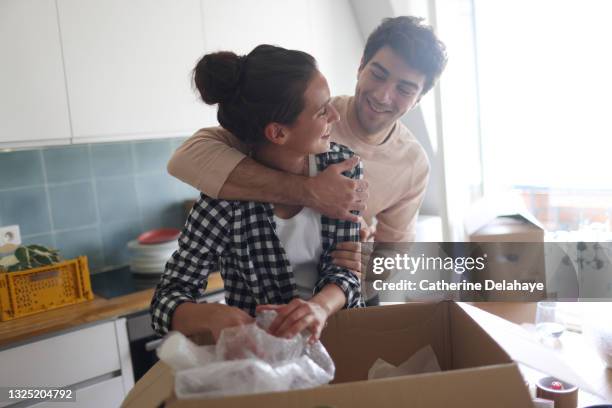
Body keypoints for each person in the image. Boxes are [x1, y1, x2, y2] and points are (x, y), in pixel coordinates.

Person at [167, 16, 447, 245]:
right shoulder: (304, 117)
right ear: (361, 65)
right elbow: (184, 160)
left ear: (419, 98)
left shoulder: (413, 164)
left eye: (405, 89)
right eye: (378, 74)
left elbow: (391, 254)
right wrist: (309, 192)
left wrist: (345, 276)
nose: (383, 96)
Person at [151, 45, 364, 345]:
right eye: (321, 110)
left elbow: (347, 271)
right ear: (278, 133)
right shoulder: (225, 196)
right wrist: (212, 316)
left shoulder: (344, 168)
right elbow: (166, 299)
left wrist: (318, 308)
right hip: (262, 359)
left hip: (342, 341)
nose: (335, 115)